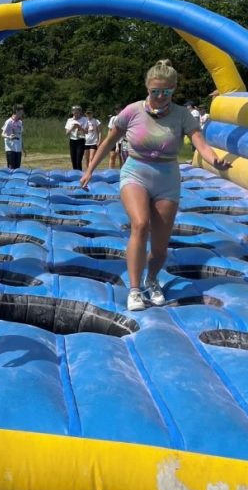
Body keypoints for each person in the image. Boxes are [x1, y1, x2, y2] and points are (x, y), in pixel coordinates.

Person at [79, 59, 231, 312]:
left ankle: (152, 280)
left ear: (174, 89)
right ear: (147, 88)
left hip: (167, 179)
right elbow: (107, 142)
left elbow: (200, 143)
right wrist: (90, 170)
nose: (160, 97)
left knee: (160, 247)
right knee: (140, 224)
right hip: (135, 173)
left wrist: (214, 159)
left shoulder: (182, 115)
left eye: (166, 92)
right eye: (155, 92)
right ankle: (135, 289)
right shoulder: (132, 111)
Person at [65, 105, 88, 170]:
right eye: (74, 112)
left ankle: (79, 174)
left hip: (80, 140)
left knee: (78, 159)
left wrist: (79, 127)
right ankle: (74, 174)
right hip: (72, 140)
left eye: (77, 112)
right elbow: (67, 133)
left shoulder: (84, 119)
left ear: (80, 112)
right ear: (72, 112)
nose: (76, 114)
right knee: (73, 159)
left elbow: (86, 132)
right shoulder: (69, 120)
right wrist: (72, 127)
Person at [1, 104, 24, 169]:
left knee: (17, 168)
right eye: (21, 112)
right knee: (11, 168)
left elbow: (20, 135)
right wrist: (9, 137)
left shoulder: (20, 122)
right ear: (16, 111)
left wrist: (23, 148)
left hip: (18, 149)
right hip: (10, 148)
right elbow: (2, 134)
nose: (22, 113)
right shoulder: (8, 122)